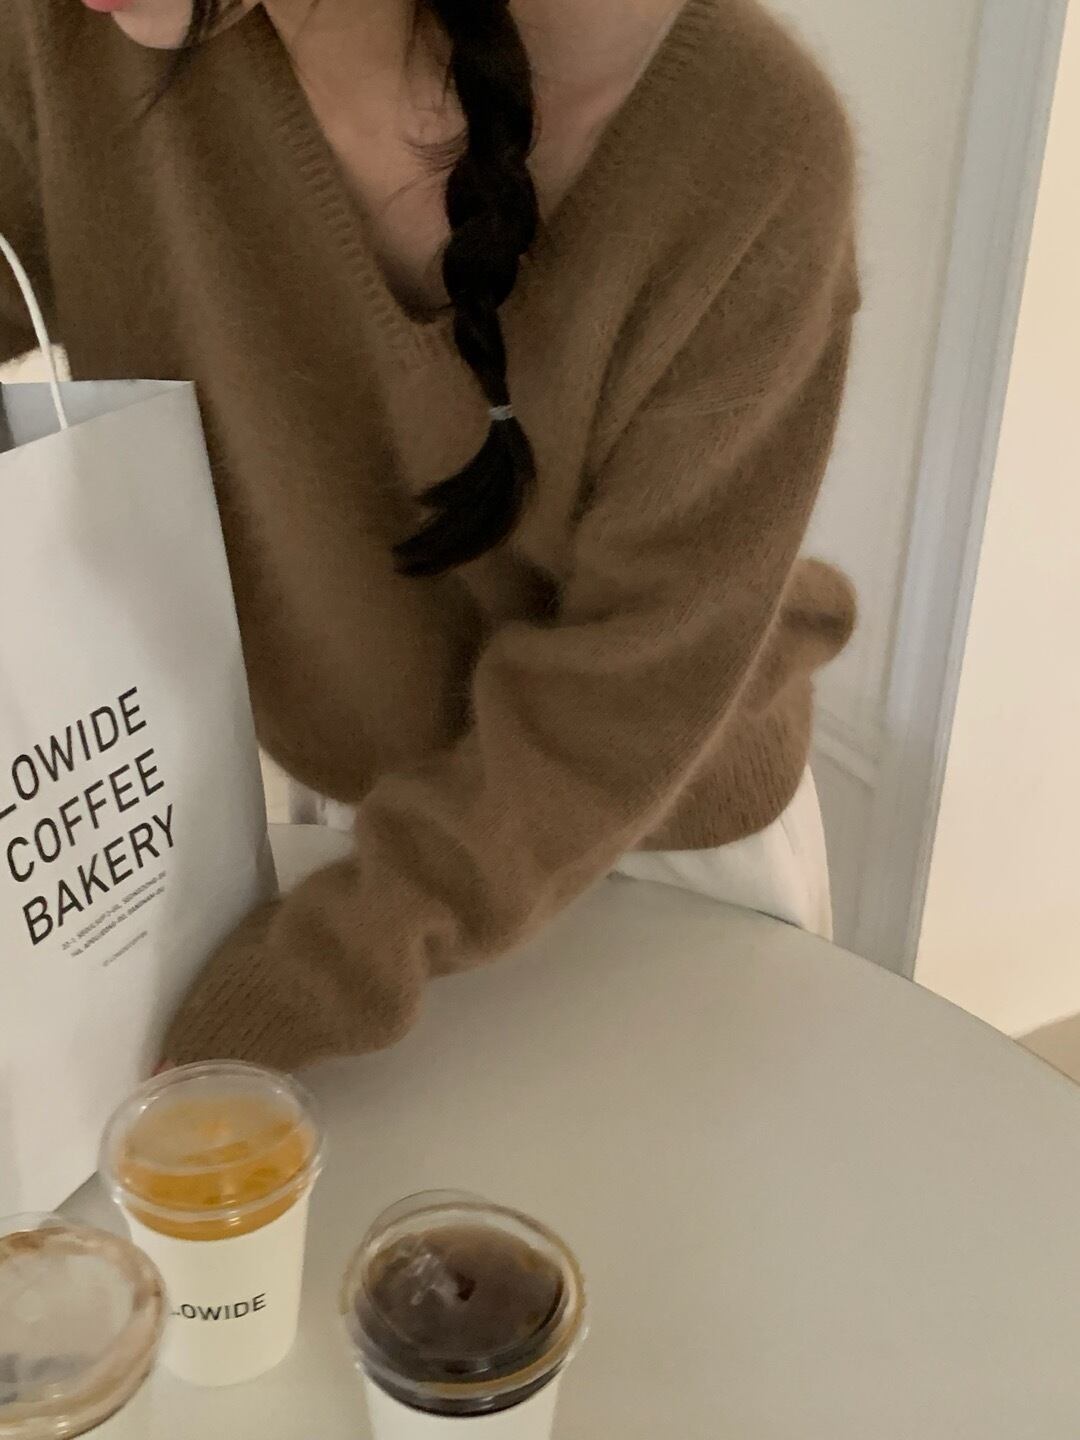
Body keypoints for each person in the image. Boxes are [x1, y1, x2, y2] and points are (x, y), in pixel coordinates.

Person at [0, 0, 859, 1070]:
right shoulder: (68, 38)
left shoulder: (745, 149)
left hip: (651, 850)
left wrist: (322, 974)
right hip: (343, 828)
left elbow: (630, 683)